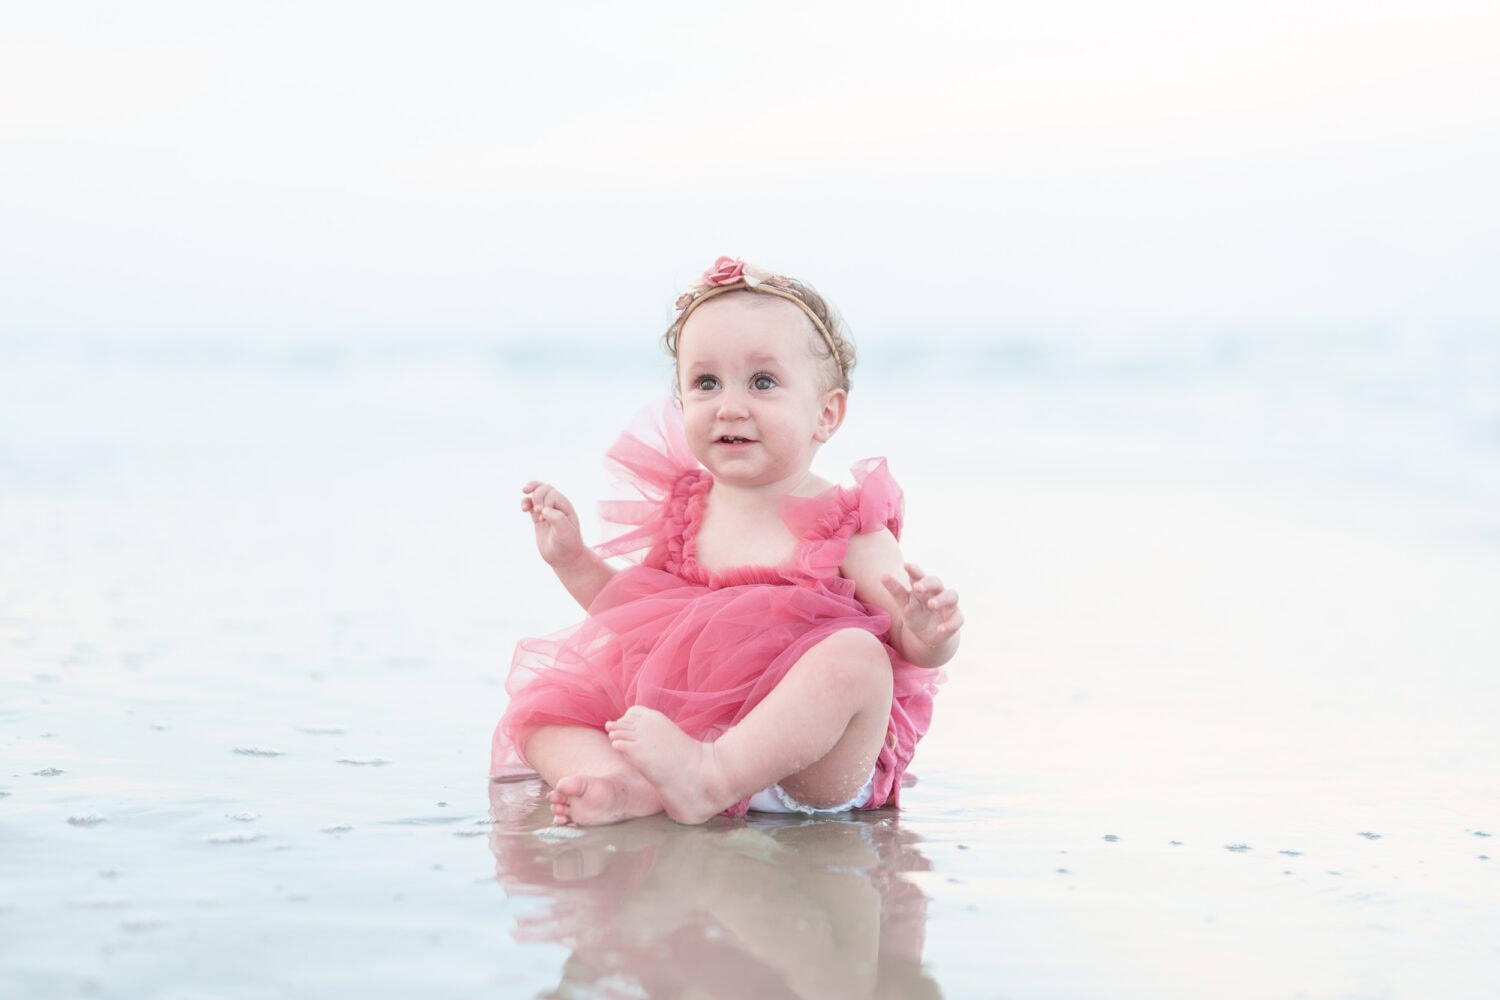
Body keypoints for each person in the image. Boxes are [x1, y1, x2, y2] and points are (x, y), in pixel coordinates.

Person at [491, 256, 960, 826]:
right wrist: (573, 560)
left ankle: (712, 777)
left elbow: (912, 651)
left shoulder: (847, 522)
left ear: (826, 414)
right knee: (546, 711)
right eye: (706, 382)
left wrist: (929, 633)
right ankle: (627, 786)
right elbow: (638, 619)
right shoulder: (687, 510)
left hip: (803, 767)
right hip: (683, 738)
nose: (729, 405)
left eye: (763, 382)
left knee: (858, 659)